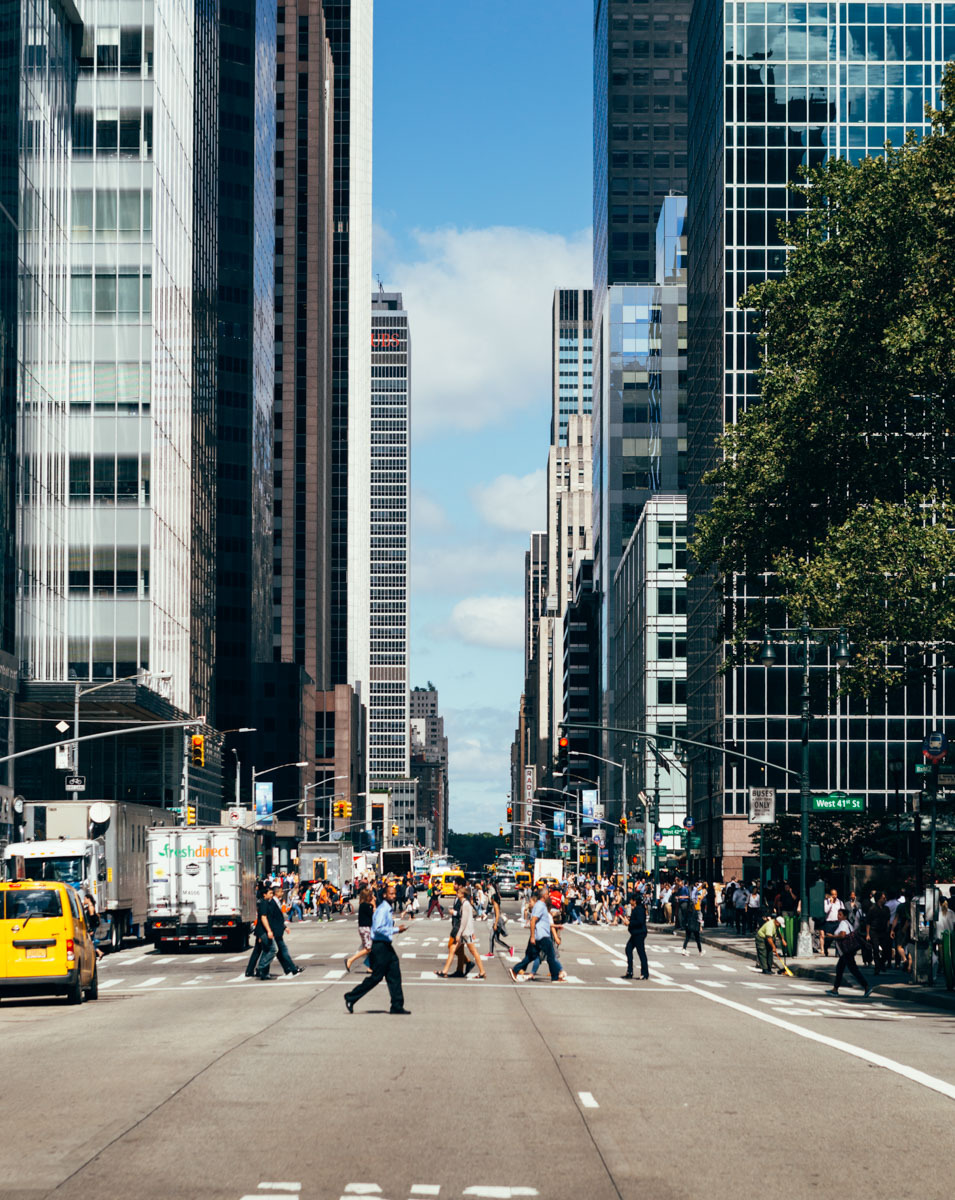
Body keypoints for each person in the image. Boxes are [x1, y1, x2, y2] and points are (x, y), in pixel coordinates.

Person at [344, 881, 411, 1015]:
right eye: (391, 894)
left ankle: (397, 1005)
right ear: (385, 895)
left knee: (394, 974)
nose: (394, 896)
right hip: (380, 947)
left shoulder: (387, 909)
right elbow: (378, 928)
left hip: (386, 946)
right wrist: (397, 930)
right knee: (376, 977)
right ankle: (351, 997)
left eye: (395, 894)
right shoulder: (382, 910)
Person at [248, 884, 305, 980]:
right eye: (270, 893)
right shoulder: (265, 903)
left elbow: (274, 918)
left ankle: (267, 972)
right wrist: (268, 931)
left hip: (272, 931)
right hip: (269, 932)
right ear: (264, 894)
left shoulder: (268, 902)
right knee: (274, 950)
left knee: (271, 951)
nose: (272, 895)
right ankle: (261, 968)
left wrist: (283, 927)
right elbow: (264, 918)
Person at [509, 888, 565, 982]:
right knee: (551, 956)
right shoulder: (540, 906)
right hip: (542, 936)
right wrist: (532, 936)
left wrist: (556, 925)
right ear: (544, 896)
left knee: (531, 956)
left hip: (541, 935)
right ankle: (555, 977)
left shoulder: (541, 905)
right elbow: (533, 921)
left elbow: (543, 922)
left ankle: (515, 970)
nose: (549, 896)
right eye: (547, 894)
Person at [826, 907, 873, 997]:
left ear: (845, 916)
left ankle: (866, 987)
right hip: (848, 951)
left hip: (846, 952)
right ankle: (835, 989)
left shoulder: (843, 923)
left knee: (853, 970)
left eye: (840, 914)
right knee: (840, 969)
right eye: (838, 914)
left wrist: (831, 936)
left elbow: (842, 935)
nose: (838, 916)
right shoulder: (848, 924)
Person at [345, 886, 375, 973]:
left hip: (364, 928)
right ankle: (350, 960)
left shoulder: (363, 905)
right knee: (368, 948)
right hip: (365, 929)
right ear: (367, 897)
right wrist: (373, 904)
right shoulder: (367, 906)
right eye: (371, 896)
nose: (372, 897)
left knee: (370, 948)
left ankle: (371, 967)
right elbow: (374, 915)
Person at [622, 889, 649, 980]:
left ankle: (644, 973)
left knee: (641, 952)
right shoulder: (637, 909)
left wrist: (630, 923)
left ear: (634, 901)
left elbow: (640, 922)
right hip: (635, 933)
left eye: (631, 900)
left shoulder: (639, 909)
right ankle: (630, 971)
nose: (630, 902)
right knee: (628, 949)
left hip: (639, 933)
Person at [487, 885, 512, 957]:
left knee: (491, 938)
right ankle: (509, 948)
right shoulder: (496, 905)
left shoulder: (495, 905)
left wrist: (495, 924)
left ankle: (491, 952)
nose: (490, 900)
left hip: (496, 923)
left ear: (493, 899)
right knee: (496, 939)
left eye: (491, 899)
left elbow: (497, 915)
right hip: (496, 923)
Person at [82, 892, 104, 961]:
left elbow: (91, 918)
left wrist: (90, 929)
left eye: (85, 899)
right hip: (91, 927)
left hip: (92, 927)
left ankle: (99, 952)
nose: (84, 900)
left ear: (88, 899)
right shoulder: (89, 906)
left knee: (91, 941)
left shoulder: (91, 907)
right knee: (91, 941)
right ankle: (97, 953)